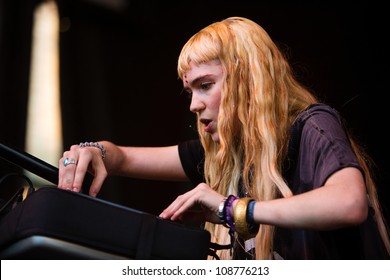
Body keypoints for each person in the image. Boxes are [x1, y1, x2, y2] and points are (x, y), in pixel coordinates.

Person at [58, 16, 390, 260]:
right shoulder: (229, 152)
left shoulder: (311, 126)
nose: (193, 104)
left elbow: (349, 203)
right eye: (190, 91)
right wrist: (95, 150)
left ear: (249, 79)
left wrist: (232, 209)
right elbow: (123, 158)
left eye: (205, 85)